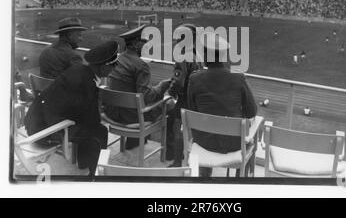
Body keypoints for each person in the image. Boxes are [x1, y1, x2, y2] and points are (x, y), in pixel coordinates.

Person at [24, 40, 119, 177]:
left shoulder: (79, 71)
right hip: (44, 132)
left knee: (90, 128)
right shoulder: (87, 84)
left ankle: (84, 164)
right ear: (103, 67)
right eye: (113, 66)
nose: (114, 69)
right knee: (99, 132)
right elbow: (92, 120)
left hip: (36, 121)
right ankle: (94, 174)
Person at [187, 32, 257, 177]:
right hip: (233, 144)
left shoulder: (195, 78)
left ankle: (203, 179)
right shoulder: (238, 76)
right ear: (223, 56)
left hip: (203, 142)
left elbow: (192, 110)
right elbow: (251, 111)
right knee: (250, 138)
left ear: (206, 56)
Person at [105, 25, 172, 149]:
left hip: (112, 112)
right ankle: (170, 153)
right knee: (170, 103)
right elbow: (147, 97)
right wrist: (163, 85)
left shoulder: (117, 60)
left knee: (135, 101)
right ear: (135, 44)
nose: (144, 46)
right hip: (130, 117)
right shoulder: (141, 65)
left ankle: (134, 142)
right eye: (143, 43)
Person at [166, 24, 203, 166]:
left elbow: (178, 81)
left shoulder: (182, 56)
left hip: (184, 100)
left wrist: (170, 93)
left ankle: (176, 160)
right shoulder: (197, 55)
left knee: (175, 126)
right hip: (195, 100)